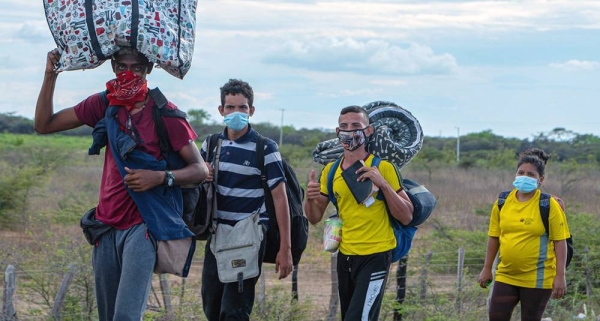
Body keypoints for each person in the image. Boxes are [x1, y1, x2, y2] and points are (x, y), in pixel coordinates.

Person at [35, 47, 208, 321]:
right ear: (113, 67)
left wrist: (161, 177)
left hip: (144, 224)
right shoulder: (105, 104)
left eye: (137, 67)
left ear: (149, 68)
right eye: (122, 66)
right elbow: (44, 125)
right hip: (105, 224)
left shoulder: (165, 113)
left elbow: (200, 169)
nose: (129, 73)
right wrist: (50, 75)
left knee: (126, 316)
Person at [303, 105, 414, 321]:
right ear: (337, 132)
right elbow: (314, 217)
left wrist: (382, 184)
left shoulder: (385, 168)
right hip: (345, 256)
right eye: (344, 127)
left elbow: (407, 215)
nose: (349, 131)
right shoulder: (331, 171)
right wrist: (310, 197)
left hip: (376, 255)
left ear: (368, 131)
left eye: (356, 126)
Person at [199, 78, 293, 321]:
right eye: (230, 107)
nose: (236, 112)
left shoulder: (265, 148)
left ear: (251, 111)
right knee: (211, 307)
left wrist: (285, 248)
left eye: (242, 107)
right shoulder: (211, 145)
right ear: (221, 111)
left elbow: (280, 198)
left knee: (235, 311)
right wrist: (202, 174)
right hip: (217, 234)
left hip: (248, 235)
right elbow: (195, 184)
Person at [478, 148, 569, 321]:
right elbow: (494, 237)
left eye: (530, 174)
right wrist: (486, 268)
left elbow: (560, 241)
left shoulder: (549, 204)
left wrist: (560, 276)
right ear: (515, 174)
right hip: (506, 274)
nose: (524, 177)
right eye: (521, 172)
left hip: (538, 278)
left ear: (540, 180)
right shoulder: (502, 202)